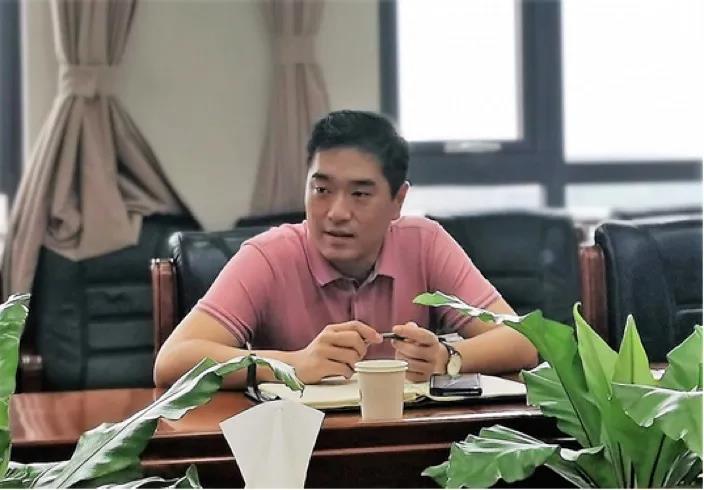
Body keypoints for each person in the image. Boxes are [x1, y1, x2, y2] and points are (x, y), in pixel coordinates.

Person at [154, 110, 537, 388]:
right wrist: (294, 364)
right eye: (321, 190)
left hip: (407, 441)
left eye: (360, 194)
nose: (336, 213)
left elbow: (522, 340)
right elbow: (173, 360)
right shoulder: (268, 256)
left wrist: (446, 359)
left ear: (398, 201)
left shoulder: (424, 243)